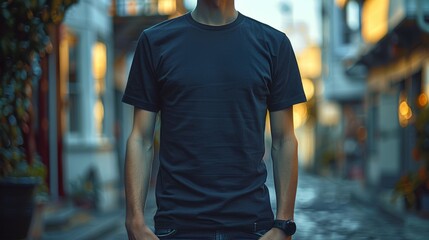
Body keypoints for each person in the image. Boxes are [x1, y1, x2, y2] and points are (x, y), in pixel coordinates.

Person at [122, 0, 306, 239]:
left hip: (251, 226)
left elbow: (284, 141)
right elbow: (140, 137)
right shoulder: (155, 42)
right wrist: (134, 220)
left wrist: (284, 224)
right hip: (178, 225)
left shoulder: (274, 45)